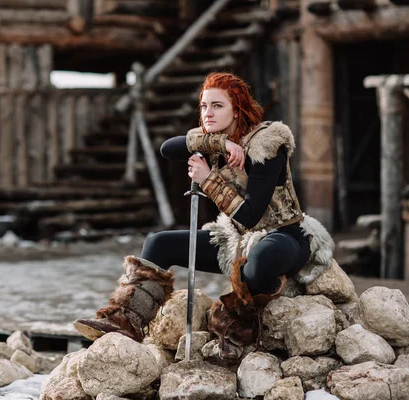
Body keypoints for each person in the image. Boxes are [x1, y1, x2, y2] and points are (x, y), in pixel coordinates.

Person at [74, 72, 334, 358]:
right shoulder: (212, 139)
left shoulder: (267, 146)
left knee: (260, 261)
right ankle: (126, 321)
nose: (208, 113)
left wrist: (208, 178)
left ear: (237, 109)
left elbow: (250, 215)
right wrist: (220, 144)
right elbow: (167, 148)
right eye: (204, 106)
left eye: (217, 106)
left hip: (284, 235)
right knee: (157, 243)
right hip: (234, 238)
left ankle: (237, 325)